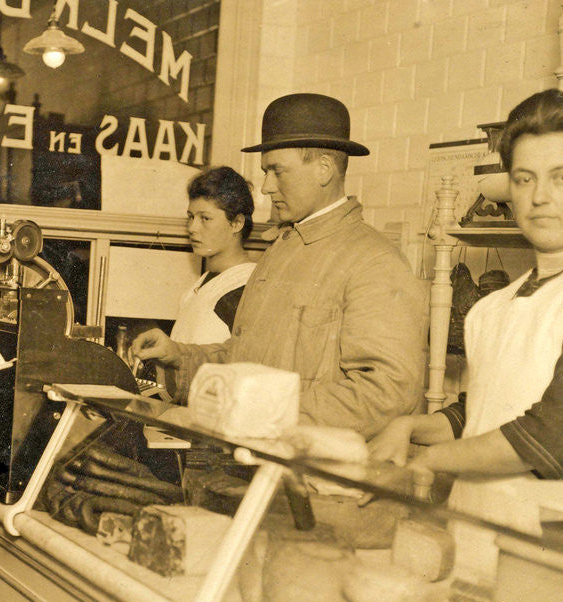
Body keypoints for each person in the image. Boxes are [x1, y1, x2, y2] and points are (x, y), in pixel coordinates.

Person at [369, 89, 563, 536]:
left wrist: (430, 460)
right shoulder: (497, 304)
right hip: (481, 536)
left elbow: (554, 436)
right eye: (524, 178)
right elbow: (487, 407)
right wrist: (412, 427)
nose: (539, 197)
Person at [132, 93, 427, 439]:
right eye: (265, 172)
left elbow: (385, 392)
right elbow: (242, 360)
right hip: (250, 463)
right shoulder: (280, 251)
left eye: (277, 171)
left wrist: (259, 412)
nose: (268, 187)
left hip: (308, 481)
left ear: (324, 170)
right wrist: (178, 358)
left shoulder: (374, 261)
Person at [169, 166, 256, 345]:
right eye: (191, 217)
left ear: (237, 223)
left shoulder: (244, 288)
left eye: (205, 218)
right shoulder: (203, 283)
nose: (192, 228)